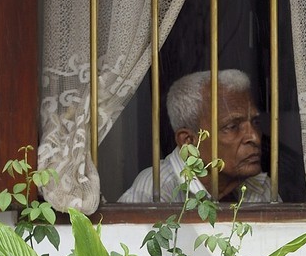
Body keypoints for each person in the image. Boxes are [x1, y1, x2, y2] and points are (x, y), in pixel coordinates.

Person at [119, 69, 278, 204]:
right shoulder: (156, 189)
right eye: (232, 127)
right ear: (188, 141)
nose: (255, 138)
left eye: (255, 122)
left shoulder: (260, 186)